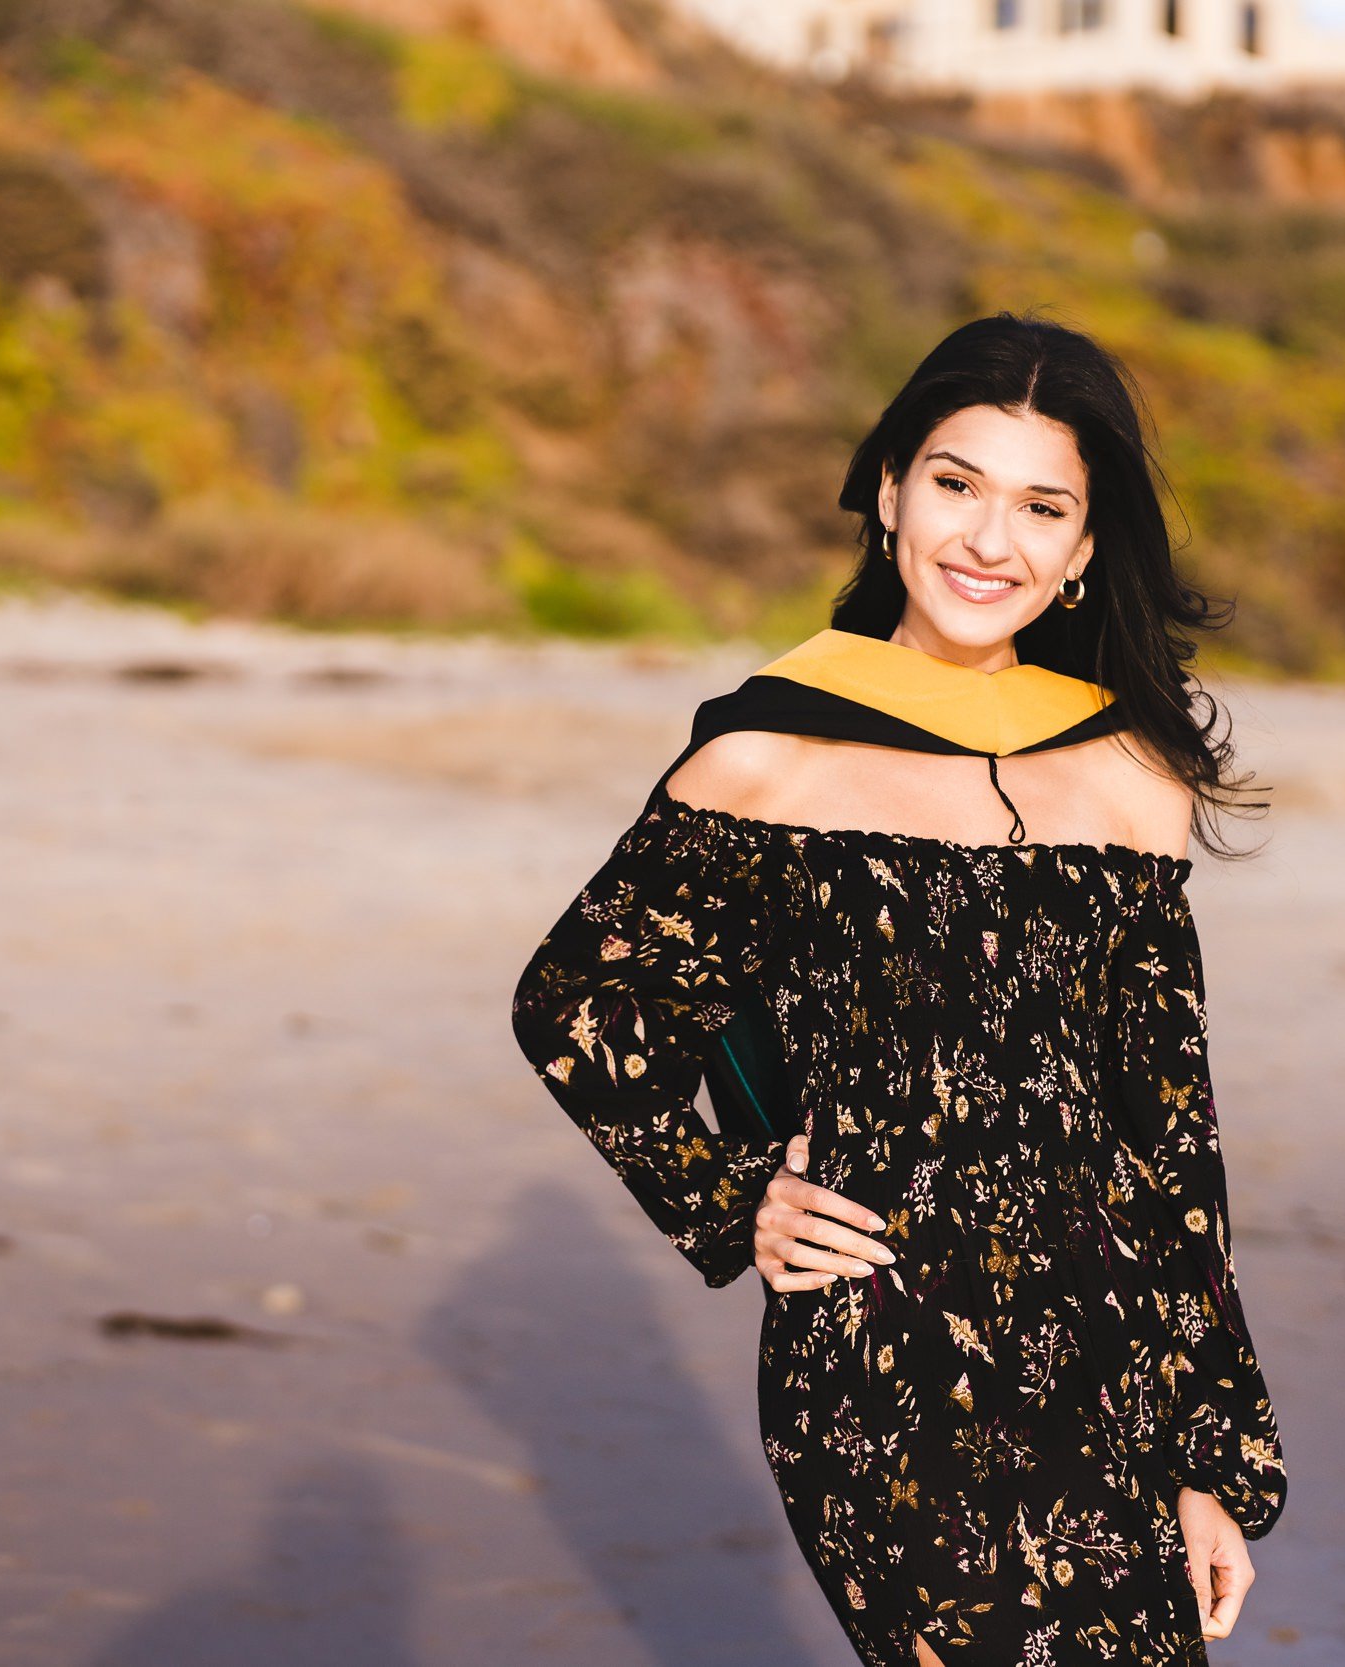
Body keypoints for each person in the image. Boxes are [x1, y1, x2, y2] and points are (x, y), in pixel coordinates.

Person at [509, 311, 1286, 1666]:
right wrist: (739, 1194)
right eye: (955, 484)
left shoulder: (1129, 784)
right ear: (888, 493)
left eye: (1043, 507)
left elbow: (1169, 1151)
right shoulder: (774, 756)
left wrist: (1208, 1456)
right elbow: (580, 1006)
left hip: (1101, 1375)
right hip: (881, 1358)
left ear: (1086, 550)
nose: (992, 541)